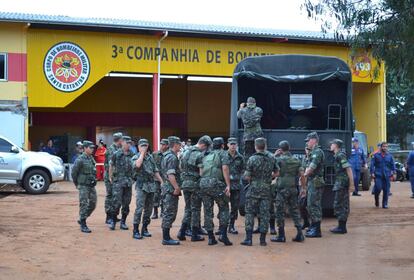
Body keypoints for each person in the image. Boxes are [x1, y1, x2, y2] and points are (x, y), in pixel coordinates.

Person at [241, 138, 279, 246]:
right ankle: (262, 240)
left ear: (255, 146)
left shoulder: (252, 159)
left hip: (253, 189)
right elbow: (277, 173)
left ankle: (249, 239)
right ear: (265, 145)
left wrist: (252, 178)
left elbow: (247, 176)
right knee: (265, 214)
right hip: (266, 189)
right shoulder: (272, 157)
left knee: (249, 213)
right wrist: (268, 177)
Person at [177, 135, 212, 242]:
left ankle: (182, 232)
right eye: (206, 147)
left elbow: (180, 167)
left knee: (188, 208)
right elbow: (201, 173)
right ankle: (194, 234)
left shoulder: (186, 152)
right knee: (195, 209)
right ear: (203, 145)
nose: (205, 149)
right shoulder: (199, 155)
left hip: (185, 183)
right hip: (195, 184)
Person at [199, 137, 233, 246]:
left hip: (204, 183)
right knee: (224, 208)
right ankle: (223, 234)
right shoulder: (223, 154)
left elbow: (200, 170)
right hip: (216, 183)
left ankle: (210, 237)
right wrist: (228, 185)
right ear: (223, 145)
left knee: (207, 210)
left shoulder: (206, 154)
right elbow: (225, 168)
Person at [272, 140, 304, 243]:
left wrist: (275, 155)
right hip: (293, 188)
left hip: (281, 188)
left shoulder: (279, 160)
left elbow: (271, 167)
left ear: (280, 149)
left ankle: (281, 235)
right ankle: (300, 233)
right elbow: (302, 175)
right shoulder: (296, 160)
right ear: (289, 148)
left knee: (279, 211)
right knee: (294, 210)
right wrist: (303, 188)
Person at [131, 139, 163, 240]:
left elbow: (155, 171)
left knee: (148, 209)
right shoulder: (136, 157)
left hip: (151, 186)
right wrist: (142, 153)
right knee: (139, 209)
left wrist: (162, 181)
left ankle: (144, 228)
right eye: (142, 146)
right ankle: (135, 230)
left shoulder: (150, 158)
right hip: (141, 186)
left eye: (145, 146)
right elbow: (138, 165)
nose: (144, 147)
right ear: (138, 147)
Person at [108, 136, 134, 230]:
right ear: (122, 142)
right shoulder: (117, 153)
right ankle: (113, 221)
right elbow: (111, 164)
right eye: (127, 143)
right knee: (116, 202)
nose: (129, 145)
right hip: (118, 182)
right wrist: (110, 177)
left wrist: (133, 178)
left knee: (126, 203)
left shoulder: (132, 154)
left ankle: (123, 222)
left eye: (130, 143)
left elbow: (135, 167)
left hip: (128, 182)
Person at [160, 136, 183, 245]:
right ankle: (166, 238)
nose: (180, 146)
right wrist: (177, 188)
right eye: (179, 144)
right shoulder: (172, 157)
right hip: (170, 189)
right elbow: (170, 174)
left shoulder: (167, 155)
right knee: (169, 213)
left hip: (167, 187)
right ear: (175, 145)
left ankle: (166, 236)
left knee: (168, 212)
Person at [71, 141, 97, 233]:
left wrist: (94, 179)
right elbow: (74, 172)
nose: (92, 149)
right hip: (83, 185)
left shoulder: (91, 158)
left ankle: (83, 217)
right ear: (85, 148)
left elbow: (93, 170)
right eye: (90, 148)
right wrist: (76, 184)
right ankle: (83, 223)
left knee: (93, 203)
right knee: (84, 204)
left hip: (91, 185)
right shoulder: (80, 159)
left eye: (93, 148)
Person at [303, 132, 325, 238]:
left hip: (315, 182)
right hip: (311, 182)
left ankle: (317, 230)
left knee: (314, 204)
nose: (307, 143)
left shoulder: (317, 152)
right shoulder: (312, 152)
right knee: (309, 204)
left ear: (314, 140)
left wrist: (304, 175)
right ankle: (313, 226)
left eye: (308, 141)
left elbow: (310, 169)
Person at [330, 139, 354, 234]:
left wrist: (352, 185)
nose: (330, 145)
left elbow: (348, 169)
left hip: (342, 183)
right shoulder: (337, 155)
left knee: (341, 204)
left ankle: (342, 227)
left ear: (336, 145)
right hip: (340, 182)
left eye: (332, 144)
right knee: (339, 204)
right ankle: (341, 226)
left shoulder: (340, 155)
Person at [226, 137, 245, 234]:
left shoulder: (240, 157)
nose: (233, 146)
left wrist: (239, 176)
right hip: (225, 185)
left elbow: (243, 169)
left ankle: (231, 226)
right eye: (231, 144)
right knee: (223, 206)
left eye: (234, 144)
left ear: (237, 145)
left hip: (236, 185)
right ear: (227, 145)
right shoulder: (223, 155)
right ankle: (223, 227)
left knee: (234, 207)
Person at [104, 132, 123, 225]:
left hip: (116, 177)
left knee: (116, 196)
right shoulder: (111, 150)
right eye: (122, 139)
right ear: (119, 140)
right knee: (110, 196)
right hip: (110, 176)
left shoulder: (118, 149)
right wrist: (111, 177)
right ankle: (109, 216)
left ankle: (114, 216)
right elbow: (111, 165)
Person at [370, 142, 396, 208]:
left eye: (386, 146)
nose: (385, 148)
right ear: (381, 147)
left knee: (386, 190)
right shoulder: (376, 155)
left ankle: (385, 204)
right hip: (378, 175)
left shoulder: (390, 156)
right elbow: (372, 165)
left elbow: (393, 165)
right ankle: (376, 200)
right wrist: (372, 173)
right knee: (378, 188)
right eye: (383, 146)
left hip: (387, 175)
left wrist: (394, 173)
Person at [151, 139, 169, 219]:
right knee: (155, 195)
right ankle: (155, 212)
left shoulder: (169, 155)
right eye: (161, 144)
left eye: (163, 144)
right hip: (156, 178)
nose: (161, 146)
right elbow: (151, 165)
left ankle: (163, 212)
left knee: (164, 195)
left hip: (165, 179)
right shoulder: (155, 154)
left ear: (167, 146)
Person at [299, 146, 311, 230]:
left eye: (309, 149)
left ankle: (313, 225)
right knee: (301, 204)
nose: (307, 151)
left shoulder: (313, 159)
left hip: (310, 184)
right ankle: (306, 222)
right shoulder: (304, 159)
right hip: (303, 184)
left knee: (311, 205)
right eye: (306, 149)